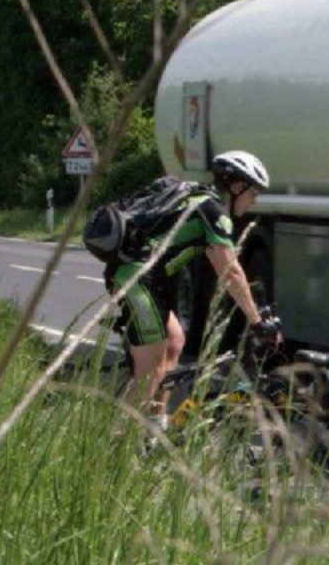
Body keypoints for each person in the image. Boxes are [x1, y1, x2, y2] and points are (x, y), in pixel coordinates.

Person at [108, 150, 280, 428]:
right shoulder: (214, 212)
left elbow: (220, 265)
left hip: (145, 280)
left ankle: (153, 428)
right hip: (136, 280)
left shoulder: (203, 203)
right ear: (237, 187)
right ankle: (115, 446)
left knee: (174, 343)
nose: (254, 200)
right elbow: (230, 271)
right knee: (150, 368)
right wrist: (256, 320)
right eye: (254, 192)